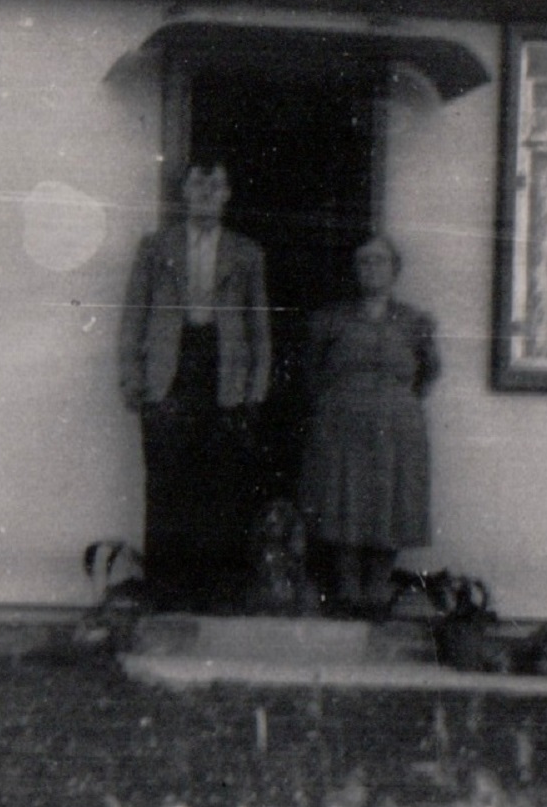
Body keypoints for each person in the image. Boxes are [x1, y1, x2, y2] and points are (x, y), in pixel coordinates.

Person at [118, 162, 271, 611]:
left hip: (223, 372)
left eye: (216, 185)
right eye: (197, 185)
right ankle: (165, 592)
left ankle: (214, 594)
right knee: (165, 478)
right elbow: (133, 316)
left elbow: (258, 325)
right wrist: (131, 375)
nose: (206, 193)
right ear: (184, 193)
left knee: (220, 481)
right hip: (169, 371)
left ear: (227, 194)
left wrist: (256, 388)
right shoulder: (155, 247)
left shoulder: (246, 252)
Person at [296, 235, 439, 614]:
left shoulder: (414, 322)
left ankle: (377, 589)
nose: (371, 268)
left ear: (395, 269)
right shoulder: (330, 319)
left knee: (389, 502)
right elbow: (311, 372)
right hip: (342, 425)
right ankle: (347, 590)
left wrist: (392, 403)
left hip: (397, 429)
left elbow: (428, 373)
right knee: (344, 500)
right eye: (363, 261)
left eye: (379, 261)